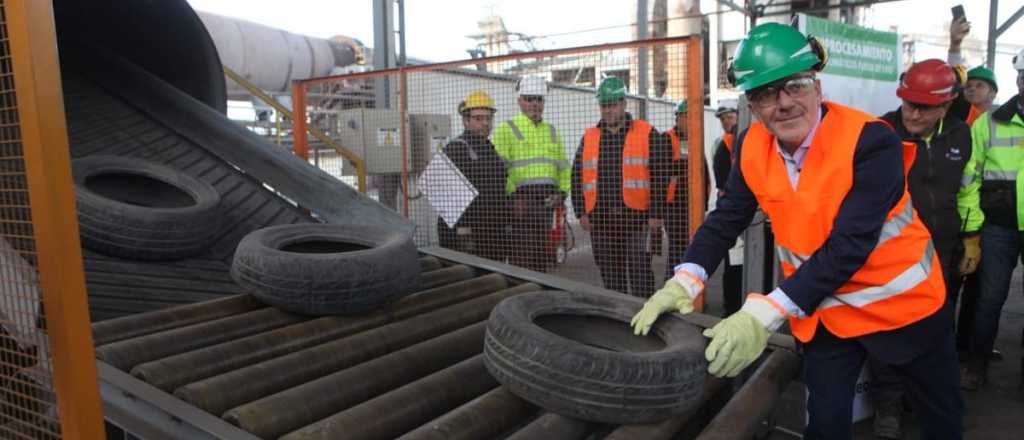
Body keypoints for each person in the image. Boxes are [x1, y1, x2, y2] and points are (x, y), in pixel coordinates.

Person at [630, 23, 963, 439]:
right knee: (824, 425)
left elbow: (849, 245)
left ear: (817, 86)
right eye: (766, 93)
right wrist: (685, 277)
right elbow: (726, 217)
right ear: (752, 103)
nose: (783, 103)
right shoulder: (752, 145)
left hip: (903, 306)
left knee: (941, 419)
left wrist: (763, 313)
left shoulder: (871, 141)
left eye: (795, 86)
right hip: (825, 311)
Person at [868, 59, 980, 439]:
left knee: (934, 329)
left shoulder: (961, 136)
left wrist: (971, 236)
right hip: (892, 255)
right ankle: (888, 406)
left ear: (946, 106)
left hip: (943, 249)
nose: (913, 113)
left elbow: (967, 188)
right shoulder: (881, 133)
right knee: (889, 329)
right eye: (908, 103)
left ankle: (919, 399)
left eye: (924, 107)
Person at [571, 77, 670, 297]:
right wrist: (581, 212)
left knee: (641, 275)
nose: (608, 110)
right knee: (610, 278)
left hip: (637, 220)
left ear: (624, 103)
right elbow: (576, 176)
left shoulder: (647, 133)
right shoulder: (589, 137)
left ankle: (643, 321)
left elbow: (661, 176)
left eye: (612, 104)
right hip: (601, 221)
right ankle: (616, 321)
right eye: (604, 105)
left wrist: (656, 213)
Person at [960, 49, 1024, 390]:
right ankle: (976, 364)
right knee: (989, 297)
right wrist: (971, 229)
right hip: (998, 226)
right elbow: (969, 176)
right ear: (1019, 80)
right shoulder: (989, 122)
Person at [493, 76, 570, 272]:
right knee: (523, 260)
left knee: (541, 259)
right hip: (521, 207)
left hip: (547, 205)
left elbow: (564, 169)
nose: (535, 104)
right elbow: (496, 172)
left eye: (539, 99)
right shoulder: (506, 129)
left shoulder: (552, 132)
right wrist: (511, 199)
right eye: (529, 99)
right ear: (519, 100)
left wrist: (561, 194)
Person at [435, 91, 509, 262]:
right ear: (466, 121)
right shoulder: (456, 149)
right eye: (478, 118)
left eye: (488, 118)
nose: (485, 123)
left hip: (491, 233)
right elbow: (443, 195)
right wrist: (463, 228)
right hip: (465, 235)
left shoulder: (490, 150)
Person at [711, 100, 744, 316]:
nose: (726, 121)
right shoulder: (722, 144)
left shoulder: (745, 139)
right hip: (733, 208)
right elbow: (721, 179)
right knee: (733, 263)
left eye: (729, 116)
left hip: (748, 208)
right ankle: (730, 308)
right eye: (722, 119)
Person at [947, 15, 999, 125]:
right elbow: (955, 78)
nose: (972, 89)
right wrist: (955, 44)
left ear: (993, 94)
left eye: (979, 85)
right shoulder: (958, 114)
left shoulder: (1004, 119)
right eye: (968, 86)